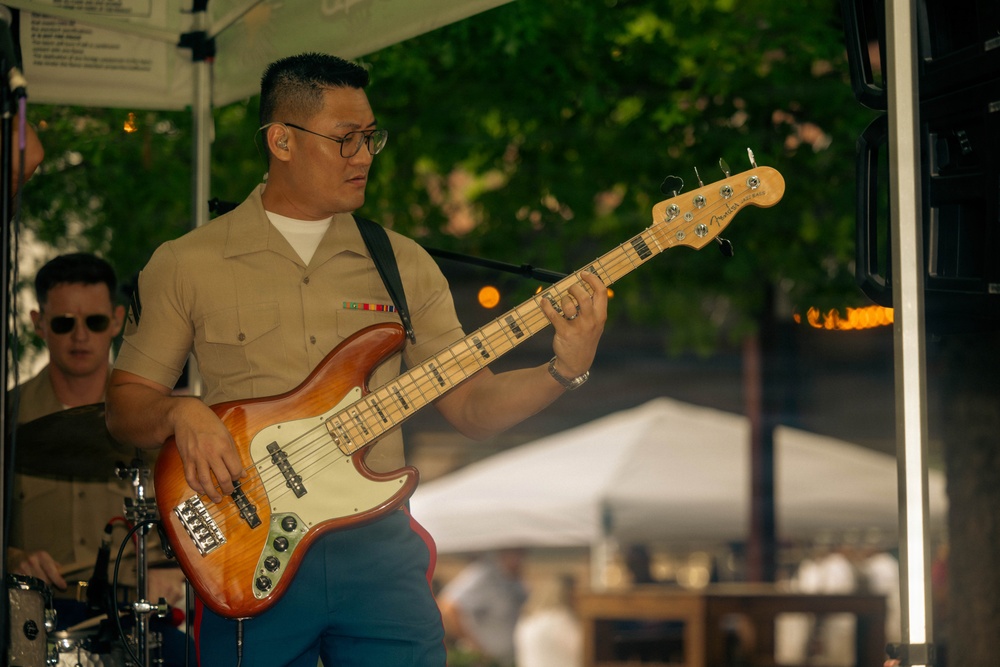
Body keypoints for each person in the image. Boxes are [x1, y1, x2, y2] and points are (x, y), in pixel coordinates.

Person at [104, 52, 607, 667]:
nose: (364, 155)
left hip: (378, 550)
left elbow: (473, 408)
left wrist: (563, 368)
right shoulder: (187, 263)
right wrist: (181, 414)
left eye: (371, 138)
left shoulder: (404, 263)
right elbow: (124, 408)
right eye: (345, 140)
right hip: (245, 544)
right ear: (281, 140)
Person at [7, 253, 191, 664]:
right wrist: (14, 558)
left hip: (140, 613)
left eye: (93, 321)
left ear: (116, 321)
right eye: (63, 323)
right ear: (39, 325)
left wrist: (180, 572)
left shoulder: (157, 418)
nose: (79, 336)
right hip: (41, 618)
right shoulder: (8, 421)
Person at [438, 548, 528, 666]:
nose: (520, 558)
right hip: (483, 661)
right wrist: (470, 642)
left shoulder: (513, 578)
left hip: (506, 659)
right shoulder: (483, 573)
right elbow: (448, 606)